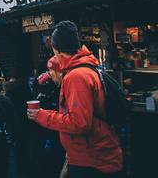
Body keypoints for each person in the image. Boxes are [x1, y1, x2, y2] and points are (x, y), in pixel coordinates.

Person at [27, 21, 123, 177]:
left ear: (57, 50)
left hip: (92, 160)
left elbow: (80, 123)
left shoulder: (76, 76)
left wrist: (41, 115)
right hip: (92, 156)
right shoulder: (84, 69)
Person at [30, 56, 66, 178]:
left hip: (55, 127)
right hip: (52, 128)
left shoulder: (64, 83)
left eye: (51, 71)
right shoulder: (43, 84)